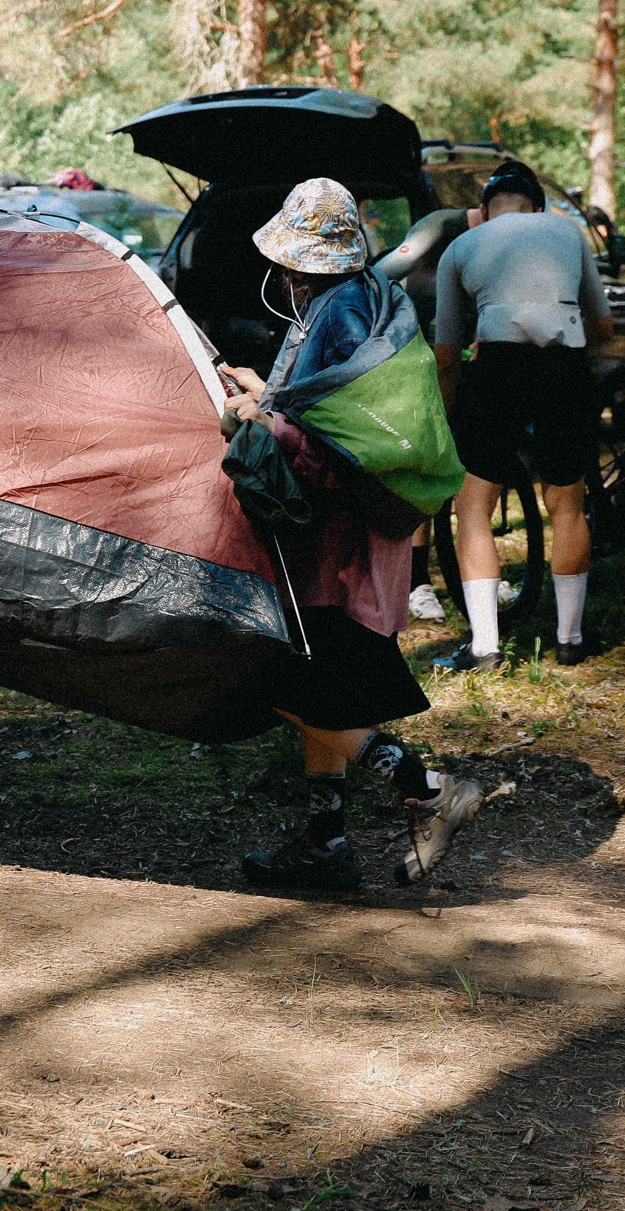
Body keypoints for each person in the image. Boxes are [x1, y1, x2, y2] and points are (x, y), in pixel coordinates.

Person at [218, 177, 487, 893]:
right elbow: (337, 411)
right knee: (328, 691)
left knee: (283, 688)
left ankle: (428, 789)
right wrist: (268, 396)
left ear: (296, 261)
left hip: (340, 542)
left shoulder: (334, 312)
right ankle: (325, 843)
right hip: (365, 532)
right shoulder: (369, 296)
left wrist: (259, 418)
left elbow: (329, 443)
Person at [430, 161, 614, 670]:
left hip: (498, 368)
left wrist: (447, 412)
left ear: (484, 209)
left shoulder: (460, 248)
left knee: (473, 506)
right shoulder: (567, 231)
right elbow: (603, 325)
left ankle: (485, 646)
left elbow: (446, 355)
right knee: (567, 503)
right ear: (539, 205)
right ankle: (570, 638)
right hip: (563, 367)